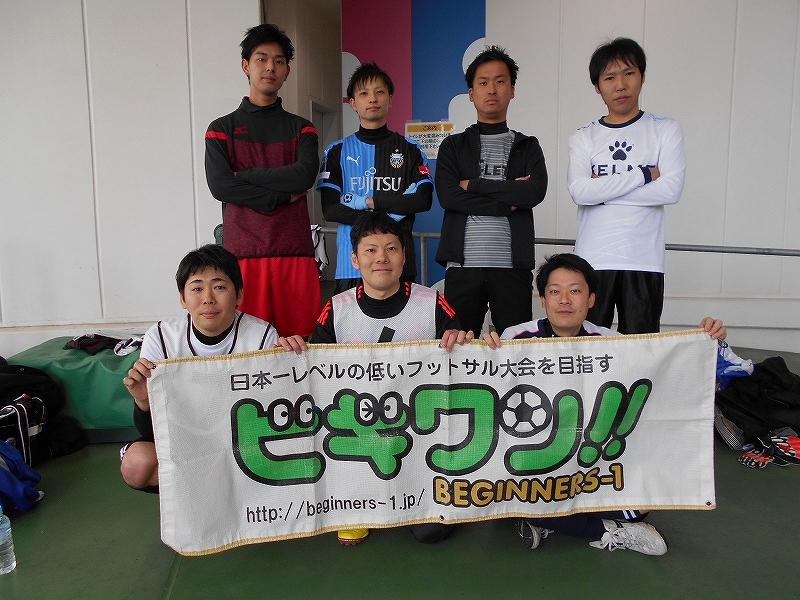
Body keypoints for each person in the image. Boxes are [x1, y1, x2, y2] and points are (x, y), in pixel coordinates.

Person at [484, 253, 726, 555]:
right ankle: (605, 530)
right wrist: (479, 351)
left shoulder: (612, 342)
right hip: (534, 457)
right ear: (543, 300)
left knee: (638, 506)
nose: (564, 300)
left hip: (588, 458)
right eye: (555, 291)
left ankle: (544, 517)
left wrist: (704, 341)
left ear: (591, 299)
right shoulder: (515, 338)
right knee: (501, 491)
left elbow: (660, 375)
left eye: (575, 290)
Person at [312, 212, 474, 545]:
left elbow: (460, 358)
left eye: (391, 248)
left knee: (431, 532)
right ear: (355, 259)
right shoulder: (337, 308)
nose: (381, 258)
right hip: (359, 431)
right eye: (371, 250)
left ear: (404, 257)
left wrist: (465, 343)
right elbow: (315, 372)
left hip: (420, 429)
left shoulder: (432, 302)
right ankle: (356, 498)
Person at [119, 244, 308, 492]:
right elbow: (152, 432)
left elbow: (276, 420)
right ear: (183, 298)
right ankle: (201, 498)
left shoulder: (261, 336)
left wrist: (293, 365)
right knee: (136, 464)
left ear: (238, 295)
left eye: (219, 287)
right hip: (185, 440)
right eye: (197, 288)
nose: (208, 298)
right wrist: (143, 402)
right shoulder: (162, 338)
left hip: (243, 442)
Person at [205, 23, 321, 338]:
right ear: (246, 66)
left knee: (300, 346)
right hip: (242, 254)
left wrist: (243, 176)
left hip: (294, 252)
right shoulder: (221, 129)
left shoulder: (303, 129)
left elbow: (304, 175)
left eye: (279, 61)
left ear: (287, 71)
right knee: (246, 346)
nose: (270, 67)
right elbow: (220, 186)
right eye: (262, 59)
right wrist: (279, 198)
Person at [568, 37, 685, 334]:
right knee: (588, 346)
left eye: (629, 73)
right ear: (597, 86)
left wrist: (602, 192)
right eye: (610, 77)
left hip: (644, 260)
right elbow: (580, 191)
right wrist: (643, 175)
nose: (620, 85)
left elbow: (671, 190)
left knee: (641, 345)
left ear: (642, 77)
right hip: (593, 259)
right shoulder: (583, 137)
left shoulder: (665, 129)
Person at [435, 45, 548, 338]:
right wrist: (503, 204)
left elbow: (534, 192)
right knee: (459, 346)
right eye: (483, 82)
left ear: (512, 90)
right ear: (472, 93)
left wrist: (474, 185)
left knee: (515, 346)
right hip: (463, 266)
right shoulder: (453, 146)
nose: (492, 89)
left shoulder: (528, 146)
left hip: (512, 267)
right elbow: (448, 196)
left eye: (500, 81)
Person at [317, 63, 433, 294]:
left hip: (400, 263)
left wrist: (370, 203)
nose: (372, 99)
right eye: (364, 93)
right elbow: (330, 209)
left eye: (379, 92)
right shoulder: (336, 151)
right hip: (351, 267)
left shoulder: (411, 149)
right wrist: (383, 219)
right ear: (353, 103)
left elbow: (422, 200)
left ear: (390, 99)